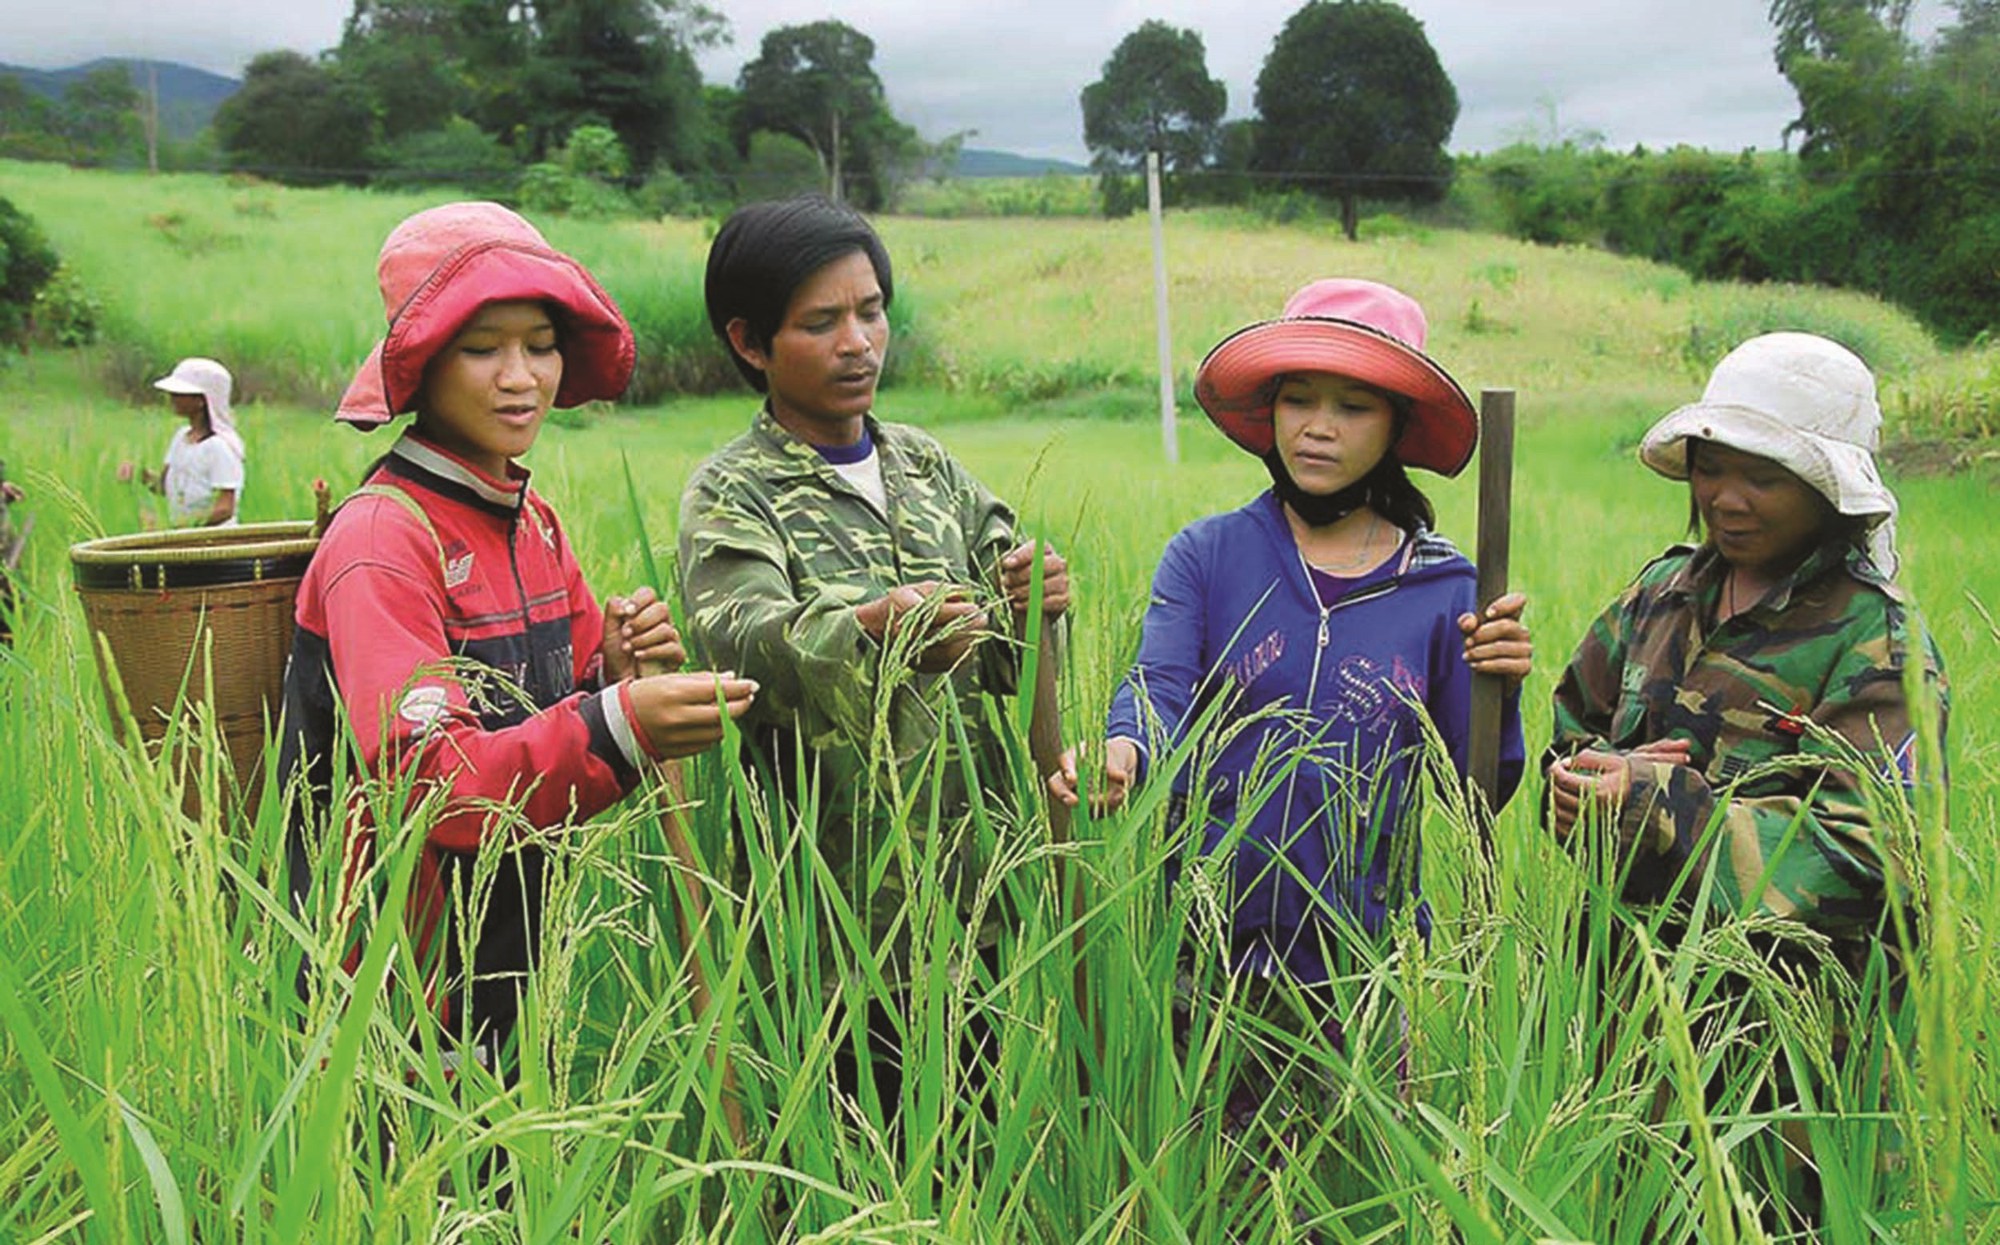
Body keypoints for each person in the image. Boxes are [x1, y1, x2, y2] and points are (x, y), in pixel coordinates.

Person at [277, 201, 758, 1071]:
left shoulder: (530, 522)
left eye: (539, 344)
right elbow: (432, 784)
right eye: (481, 346)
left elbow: (560, 703)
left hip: (507, 963)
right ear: (423, 363)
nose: (520, 376)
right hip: (386, 992)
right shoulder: (383, 540)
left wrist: (612, 669)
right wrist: (623, 722)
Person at [1052, 277, 1530, 1037]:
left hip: (1366, 973)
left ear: (1396, 425)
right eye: (1299, 398)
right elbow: (1159, 684)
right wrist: (1124, 750)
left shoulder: (1444, 587)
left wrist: (1498, 690)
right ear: (1270, 408)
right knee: (1201, 1154)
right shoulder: (1209, 555)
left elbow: (1478, 795)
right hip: (1205, 964)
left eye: (1353, 406)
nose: (1318, 427)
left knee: (1359, 1156)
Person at [679, 195, 1069, 1100]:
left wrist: (1037, 600)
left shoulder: (930, 469)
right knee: (857, 1162)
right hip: (832, 917)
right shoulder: (735, 492)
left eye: (871, 311)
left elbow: (1015, 665)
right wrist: (872, 631)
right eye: (821, 322)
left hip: (978, 904)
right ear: (751, 343)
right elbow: (742, 645)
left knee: (982, 1154)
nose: (858, 341)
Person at [1545, 331, 1948, 968]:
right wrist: (1581, 787)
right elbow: (1571, 737)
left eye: (1763, 477)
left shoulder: (1877, 645)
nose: (1726, 500)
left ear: (1828, 492)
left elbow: (1872, 856)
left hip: (1776, 1030)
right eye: (1710, 469)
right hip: (1616, 991)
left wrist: (1656, 802)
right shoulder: (1659, 594)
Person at [117, 356, 245, 527]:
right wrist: (139, 475)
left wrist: (179, 525)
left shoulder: (219, 447)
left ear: (201, 401)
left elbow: (225, 508)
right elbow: (164, 486)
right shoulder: (181, 438)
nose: (171, 397)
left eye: (179, 394)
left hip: (215, 543)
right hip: (186, 539)